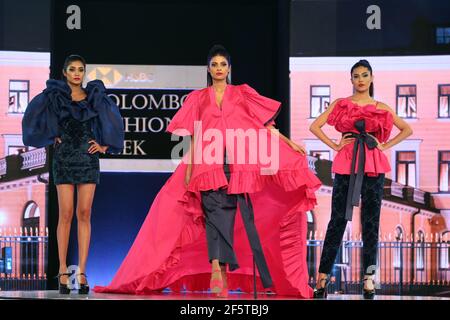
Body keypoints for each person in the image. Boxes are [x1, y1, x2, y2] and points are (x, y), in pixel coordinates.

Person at [94, 45, 321, 298]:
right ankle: (216, 267)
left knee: (228, 218)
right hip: (207, 163)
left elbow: (265, 126)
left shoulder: (243, 94)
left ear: (229, 68)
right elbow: (193, 136)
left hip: (239, 166)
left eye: (223, 64)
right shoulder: (198, 98)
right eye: (214, 65)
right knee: (213, 215)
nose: (219, 69)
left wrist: (290, 144)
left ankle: (221, 271)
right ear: (208, 68)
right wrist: (190, 169)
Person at [309, 59, 413, 299]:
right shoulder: (342, 104)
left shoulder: (381, 107)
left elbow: (407, 129)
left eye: (365, 75)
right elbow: (316, 126)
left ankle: (369, 278)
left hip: (374, 165)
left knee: (371, 223)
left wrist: (384, 144)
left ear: (372, 78)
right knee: (337, 220)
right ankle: (322, 278)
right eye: (356, 76)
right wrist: (335, 145)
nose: (361, 79)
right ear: (351, 79)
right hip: (347, 162)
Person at [22, 54, 124, 294]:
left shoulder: (93, 97)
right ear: (65, 73)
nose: (77, 73)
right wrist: (51, 135)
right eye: (72, 69)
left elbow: (113, 123)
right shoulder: (55, 97)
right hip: (64, 158)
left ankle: (83, 271)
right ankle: (63, 270)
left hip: (88, 159)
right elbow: (33, 120)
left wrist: (104, 146)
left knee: (85, 213)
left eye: (80, 69)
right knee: (66, 214)